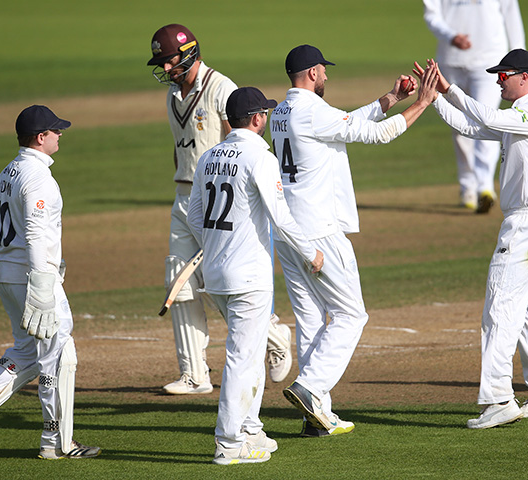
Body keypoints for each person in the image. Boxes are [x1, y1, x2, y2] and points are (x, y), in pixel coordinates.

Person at [270, 45, 439, 437]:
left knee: (312, 321)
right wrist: (423, 103)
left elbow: (345, 122)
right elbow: (376, 135)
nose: (327, 77)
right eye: (324, 72)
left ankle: (318, 415)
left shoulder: (282, 111)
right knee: (350, 315)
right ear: (312, 73)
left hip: (288, 233)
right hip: (320, 231)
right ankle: (311, 388)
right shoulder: (313, 110)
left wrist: (392, 99)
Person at [414, 49, 528, 428]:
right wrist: (434, 99)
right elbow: (472, 127)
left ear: (526, 77)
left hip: (527, 224)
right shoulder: (518, 117)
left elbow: (482, 115)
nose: (499, 79)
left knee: (499, 307)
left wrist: (449, 87)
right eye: (497, 74)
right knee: (527, 313)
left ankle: (499, 399)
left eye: (505, 74)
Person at [0, 105, 100, 459]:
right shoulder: (37, 177)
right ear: (40, 137)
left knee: (27, 351)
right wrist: (43, 286)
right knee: (58, 355)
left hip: (7, 275)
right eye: (55, 131)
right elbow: (34, 229)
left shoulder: (8, 171)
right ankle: (57, 443)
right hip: (33, 277)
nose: (61, 135)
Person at [147, 24, 294, 395]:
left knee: (216, 280)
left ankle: (275, 336)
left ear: (191, 53)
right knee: (178, 280)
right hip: (185, 196)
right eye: (162, 63)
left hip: (218, 201)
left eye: (170, 61)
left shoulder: (220, 88)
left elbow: (238, 144)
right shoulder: (172, 96)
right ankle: (194, 374)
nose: (166, 70)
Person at [188, 87, 324, 464]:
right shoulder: (259, 157)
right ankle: (229, 443)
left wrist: (217, 247)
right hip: (248, 276)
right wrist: (311, 252)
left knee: (249, 353)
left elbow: (194, 217)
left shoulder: (210, 155)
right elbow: (280, 217)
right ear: (258, 118)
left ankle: (249, 428)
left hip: (215, 276)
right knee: (242, 356)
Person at [423, 0, 526, 213]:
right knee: (458, 126)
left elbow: (512, 17)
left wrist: (519, 59)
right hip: (451, 61)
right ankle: (468, 186)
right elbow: (431, 15)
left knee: (485, 121)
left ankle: (484, 187)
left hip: (489, 60)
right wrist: (450, 36)